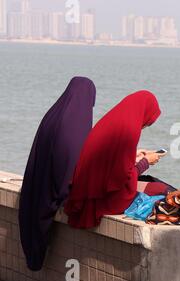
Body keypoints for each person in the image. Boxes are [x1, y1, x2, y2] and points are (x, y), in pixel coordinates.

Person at [19, 77, 96, 271]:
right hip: (52, 194)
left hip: (37, 190)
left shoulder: (53, 114)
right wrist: (67, 197)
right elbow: (69, 165)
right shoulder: (76, 123)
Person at [64, 90, 167, 229]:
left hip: (85, 193)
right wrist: (145, 162)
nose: (143, 126)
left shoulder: (113, 120)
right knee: (161, 189)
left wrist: (134, 155)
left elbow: (107, 160)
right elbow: (123, 178)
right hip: (102, 200)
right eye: (146, 123)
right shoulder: (129, 130)